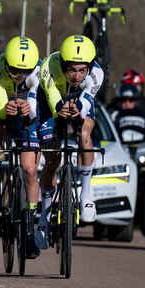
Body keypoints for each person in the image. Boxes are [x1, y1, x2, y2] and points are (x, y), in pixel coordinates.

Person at [35, 35, 105, 249]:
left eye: (82, 70)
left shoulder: (97, 74)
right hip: (49, 101)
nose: (77, 76)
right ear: (63, 64)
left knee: (84, 133)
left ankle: (85, 195)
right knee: (52, 160)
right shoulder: (47, 67)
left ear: (90, 67)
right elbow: (51, 95)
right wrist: (59, 107)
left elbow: (85, 102)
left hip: (77, 101)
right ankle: (44, 217)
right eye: (72, 69)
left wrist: (77, 111)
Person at [0, 36, 43, 258]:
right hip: (0, 101)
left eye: (25, 71)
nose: (20, 75)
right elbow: (0, 107)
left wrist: (28, 110)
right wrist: (6, 107)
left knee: (30, 170)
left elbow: (35, 108)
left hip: (28, 102)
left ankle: (29, 231)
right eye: (16, 70)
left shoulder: (38, 72)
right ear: (6, 62)